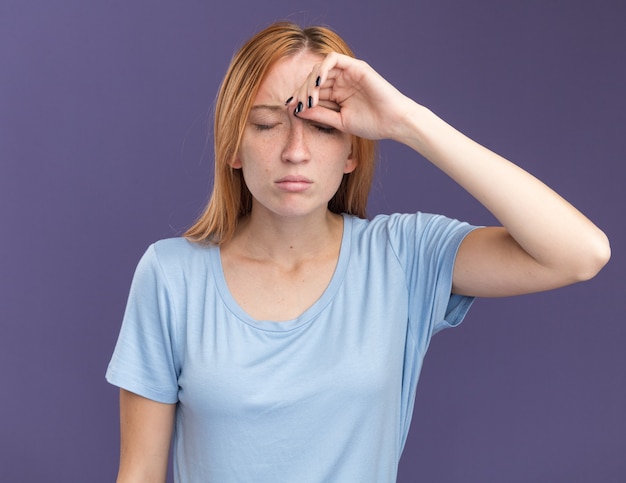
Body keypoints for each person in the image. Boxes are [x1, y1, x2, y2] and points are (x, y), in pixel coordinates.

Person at [106, 21, 610, 482]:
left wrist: (408, 121)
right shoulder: (170, 275)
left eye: (323, 126)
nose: (295, 151)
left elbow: (580, 252)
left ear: (353, 150)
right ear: (233, 146)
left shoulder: (402, 256)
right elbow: (140, 474)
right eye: (266, 124)